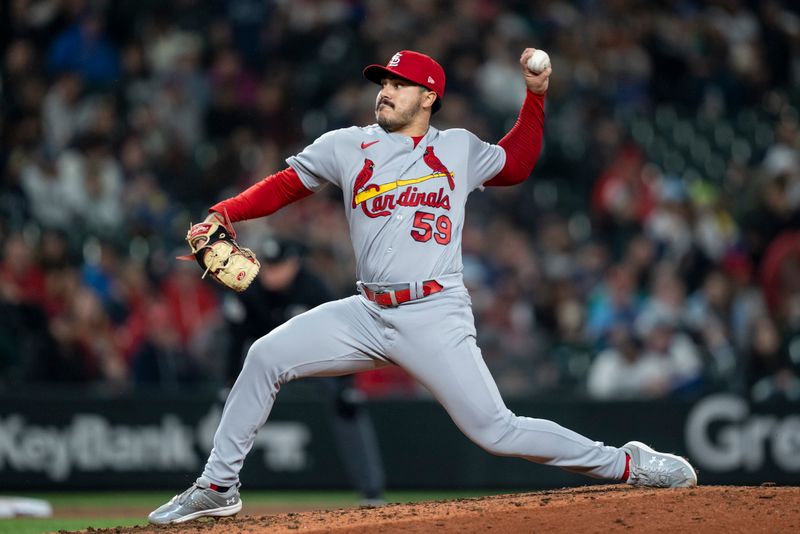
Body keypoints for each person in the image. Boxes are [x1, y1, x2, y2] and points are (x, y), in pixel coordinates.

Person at [149, 48, 697, 525]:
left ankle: (627, 462)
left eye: (396, 84)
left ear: (428, 95)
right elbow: (285, 185)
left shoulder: (457, 147)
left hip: (434, 312)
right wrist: (225, 211)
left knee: (497, 431)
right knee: (265, 356)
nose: (384, 92)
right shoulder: (348, 145)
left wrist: (535, 95)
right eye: (382, 83)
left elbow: (519, 163)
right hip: (367, 311)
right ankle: (218, 488)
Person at [222, 237, 385, 503]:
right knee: (234, 407)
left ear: (294, 264)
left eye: (278, 266)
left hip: (313, 365)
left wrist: (347, 387)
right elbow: (235, 341)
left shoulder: (313, 288)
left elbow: (345, 337)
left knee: (347, 406)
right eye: (268, 266)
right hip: (266, 366)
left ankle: (371, 492)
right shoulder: (248, 288)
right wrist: (229, 383)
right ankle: (220, 486)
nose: (271, 273)